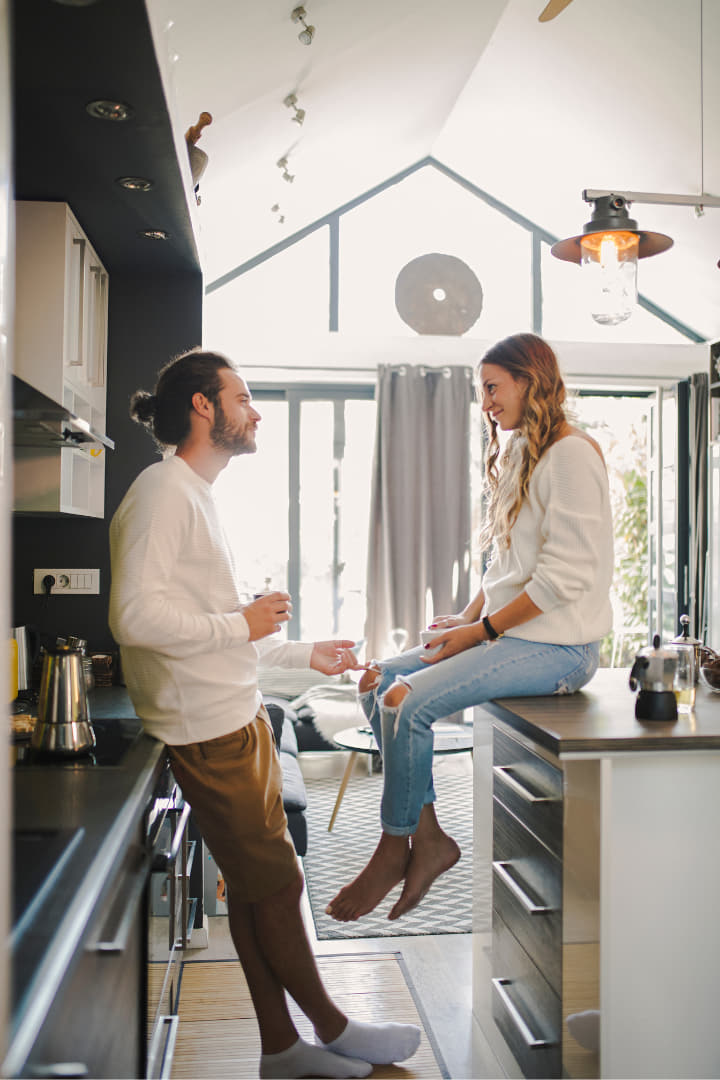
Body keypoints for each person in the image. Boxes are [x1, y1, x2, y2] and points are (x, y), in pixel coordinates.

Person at [108, 348, 422, 1079]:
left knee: (257, 891)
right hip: (208, 733)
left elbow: (217, 629)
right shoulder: (162, 492)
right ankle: (335, 1025)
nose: (254, 412)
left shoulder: (193, 494)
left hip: (233, 719)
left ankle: (281, 1048)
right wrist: (243, 626)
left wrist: (301, 653)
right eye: (242, 397)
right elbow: (133, 618)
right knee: (279, 886)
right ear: (202, 407)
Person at [327, 332, 614, 924]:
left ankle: (392, 845)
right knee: (376, 681)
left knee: (407, 699)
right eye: (481, 390)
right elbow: (508, 562)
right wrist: (466, 616)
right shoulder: (522, 451)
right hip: (514, 634)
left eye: (492, 387)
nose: (485, 402)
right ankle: (428, 836)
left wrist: (480, 632)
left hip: (560, 647)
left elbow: (563, 579)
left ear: (529, 380)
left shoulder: (571, 455)